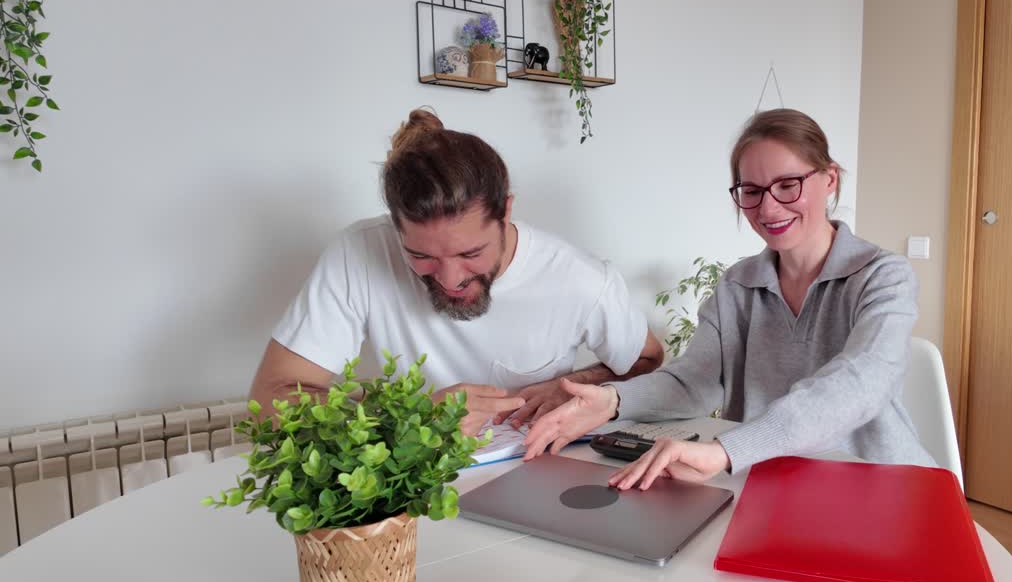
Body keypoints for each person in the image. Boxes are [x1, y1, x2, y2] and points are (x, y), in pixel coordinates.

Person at [510, 108, 935, 486]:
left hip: (880, 484)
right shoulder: (737, 286)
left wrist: (727, 450)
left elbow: (860, 384)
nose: (768, 210)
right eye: (751, 191)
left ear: (829, 179)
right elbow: (696, 382)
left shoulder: (884, 277)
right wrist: (614, 400)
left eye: (788, 185)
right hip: (771, 480)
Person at [249, 109, 664, 435]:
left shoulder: (581, 277)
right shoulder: (358, 253)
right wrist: (409, 422)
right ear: (395, 227)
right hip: (404, 491)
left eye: (471, 252)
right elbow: (271, 401)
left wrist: (575, 385)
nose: (449, 278)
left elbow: (646, 361)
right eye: (421, 256)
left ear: (506, 212)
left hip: (535, 480)